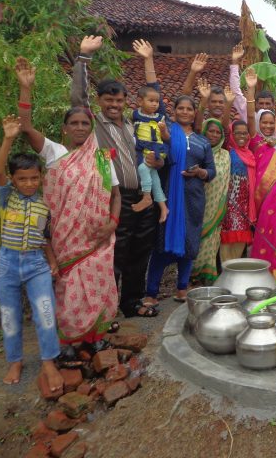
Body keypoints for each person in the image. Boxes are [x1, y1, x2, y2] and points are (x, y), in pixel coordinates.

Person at [17, 54, 121, 352]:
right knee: (69, 289)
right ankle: (70, 341)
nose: (79, 127)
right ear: (64, 128)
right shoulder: (55, 153)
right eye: (73, 123)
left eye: (85, 123)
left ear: (91, 128)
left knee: (99, 285)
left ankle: (95, 337)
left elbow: (116, 195)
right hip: (65, 241)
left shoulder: (102, 159)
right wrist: (25, 88)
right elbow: (26, 127)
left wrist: (112, 223)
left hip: (98, 239)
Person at [71, 36, 160, 319]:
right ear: (99, 101)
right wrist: (84, 57)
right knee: (115, 254)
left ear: (125, 102)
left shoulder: (134, 125)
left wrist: (156, 161)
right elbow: (78, 99)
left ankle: (131, 303)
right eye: (109, 100)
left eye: (119, 100)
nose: (114, 105)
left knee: (140, 251)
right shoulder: (94, 125)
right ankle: (106, 310)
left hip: (142, 198)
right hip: (113, 199)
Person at [0, 114, 63, 390]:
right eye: (22, 179)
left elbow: (44, 238)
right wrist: (8, 139)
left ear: (41, 178)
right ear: (13, 179)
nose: (29, 183)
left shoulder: (44, 203)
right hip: (7, 263)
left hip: (36, 264)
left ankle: (49, 361)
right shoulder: (6, 196)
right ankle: (15, 360)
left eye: (34, 178)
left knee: (45, 311)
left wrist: (52, 262)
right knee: (9, 314)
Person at [144, 94, 216, 304]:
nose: (185, 112)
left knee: (189, 242)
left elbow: (211, 171)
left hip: (193, 198)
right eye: (181, 108)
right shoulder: (165, 133)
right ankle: (151, 292)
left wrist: (200, 172)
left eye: (189, 109)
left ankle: (182, 287)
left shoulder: (202, 141)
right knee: (161, 243)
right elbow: (159, 158)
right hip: (167, 196)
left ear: (195, 114)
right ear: (174, 111)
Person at [244, 68, 276, 278]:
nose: (267, 126)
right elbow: (249, 115)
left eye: (270, 123)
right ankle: (261, 272)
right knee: (262, 228)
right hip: (259, 192)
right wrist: (251, 90)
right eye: (263, 122)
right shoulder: (254, 139)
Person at [131, 45, 169, 223]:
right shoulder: (135, 115)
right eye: (151, 101)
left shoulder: (160, 117)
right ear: (140, 101)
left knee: (143, 169)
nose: (154, 104)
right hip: (144, 149)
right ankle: (163, 207)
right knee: (155, 179)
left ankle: (147, 197)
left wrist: (149, 60)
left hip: (156, 149)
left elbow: (153, 87)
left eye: (157, 101)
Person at [193, 118, 231, 285]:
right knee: (196, 239)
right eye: (211, 131)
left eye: (218, 132)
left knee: (211, 239)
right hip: (197, 203)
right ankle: (191, 276)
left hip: (216, 206)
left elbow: (225, 181)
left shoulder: (225, 155)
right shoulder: (197, 152)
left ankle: (206, 276)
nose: (214, 135)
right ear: (204, 132)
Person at [220, 119, 256, 262]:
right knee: (227, 237)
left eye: (244, 133)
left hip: (244, 203)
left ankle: (234, 268)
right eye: (237, 133)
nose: (242, 136)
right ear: (231, 135)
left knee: (241, 237)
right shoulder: (227, 151)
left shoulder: (250, 154)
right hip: (229, 202)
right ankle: (226, 268)